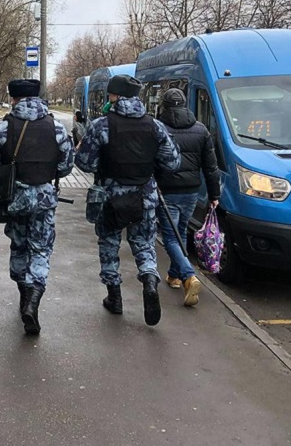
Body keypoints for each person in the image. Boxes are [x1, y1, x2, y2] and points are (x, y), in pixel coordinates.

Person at [75, 75, 180, 327]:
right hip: (145, 196)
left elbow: (85, 163)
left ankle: (115, 297)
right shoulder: (154, 126)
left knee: (109, 244)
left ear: (115, 96)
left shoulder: (101, 125)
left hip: (110, 197)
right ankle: (149, 279)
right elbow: (173, 163)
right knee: (144, 243)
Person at [0, 79, 74, 335]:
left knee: (19, 245)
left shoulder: (3, 128)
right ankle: (33, 300)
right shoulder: (56, 127)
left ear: (13, 98)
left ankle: (24, 294)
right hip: (44, 198)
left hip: (14, 199)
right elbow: (67, 165)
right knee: (41, 250)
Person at [155, 88, 220, 306]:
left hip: (167, 190)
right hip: (191, 190)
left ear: (164, 105)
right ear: (185, 104)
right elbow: (211, 167)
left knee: (170, 236)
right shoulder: (201, 129)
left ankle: (188, 275)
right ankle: (174, 276)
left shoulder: (159, 128)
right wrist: (214, 194)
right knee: (180, 231)